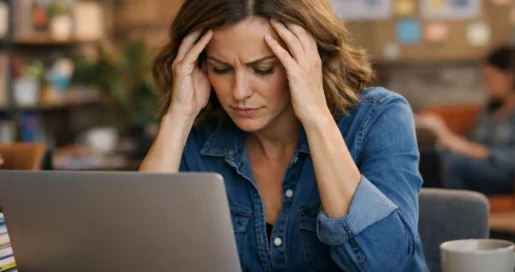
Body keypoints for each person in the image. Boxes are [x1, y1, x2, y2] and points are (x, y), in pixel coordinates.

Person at [139, 0, 428, 270]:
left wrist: (316, 116)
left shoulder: (379, 117)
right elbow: (139, 252)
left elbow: (386, 263)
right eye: (222, 69)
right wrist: (179, 117)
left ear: (311, 62)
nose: (239, 92)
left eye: (263, 70)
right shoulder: (198, 138)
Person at [416, 45, 515, 196]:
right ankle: (417, 214)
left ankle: (449, 214)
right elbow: (472, 142)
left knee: (453, 164)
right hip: (475, 168)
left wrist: (459, 144)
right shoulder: (490, 110)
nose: (485, 85)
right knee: (427, 156)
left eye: (489, 79)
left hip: (508, 175)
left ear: (509, 78)